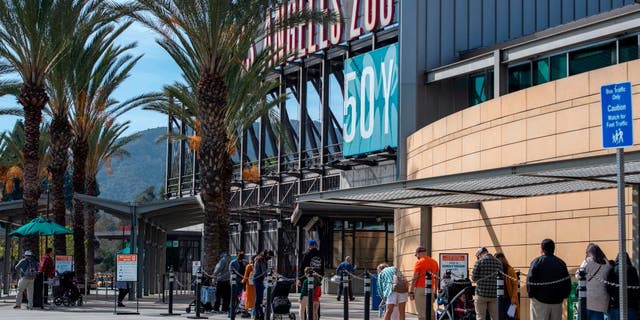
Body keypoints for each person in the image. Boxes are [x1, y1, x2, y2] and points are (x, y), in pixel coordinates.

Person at [527, 239, 572, 320]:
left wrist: (531, 295)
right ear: (553, 249)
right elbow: (567, 282)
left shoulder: (536, 262)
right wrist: (564, 296)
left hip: (539, 301)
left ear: (542, 249)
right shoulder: (561, 263)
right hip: (557, 301)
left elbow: (530, 279)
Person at [576, 243, 612, 320]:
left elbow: (578, 275)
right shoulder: (607, 264)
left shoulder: (588, 261)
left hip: (587, 300)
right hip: (601, 301)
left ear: (589, 252)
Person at [606, 252, 640, 320]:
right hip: (631, 306)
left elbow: (608, 288)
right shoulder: (632, 269)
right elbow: (636, 287)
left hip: (615, 305)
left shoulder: (612, 270)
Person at [472, 247, 502, 320]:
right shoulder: (498, 262)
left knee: (480, 317)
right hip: (494, 294)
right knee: (495, 317)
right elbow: (501, 278)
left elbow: (474, 278)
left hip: (481, 294)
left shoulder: (479, 262)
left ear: (480, 254)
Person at [409, 246, 438, 320]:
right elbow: (436, 278)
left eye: (416, 255)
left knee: (422, 314)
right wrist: (435, 291)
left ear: (418, 253)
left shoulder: (419, 262)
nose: (417, 257)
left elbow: (415, 278)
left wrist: (411, 291)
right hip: (431, 289)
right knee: (431, 312)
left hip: (420, 289)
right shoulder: (434, 262)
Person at [495, 252, 519, 319]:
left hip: (509, 298)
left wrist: (513, 297)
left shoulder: (510, 270)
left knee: (510, 316)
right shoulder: (495, 270)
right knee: (500, 317)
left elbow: (515, 284)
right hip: (499, 299)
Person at [253, 249, 274, 320]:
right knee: (258, 298)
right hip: (257, 279)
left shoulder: (262, 259)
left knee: (260, 298)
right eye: (270, 256)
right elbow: (264, 271)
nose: (270, 258)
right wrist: (270, 277)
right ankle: (257, 315)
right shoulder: (261, 260)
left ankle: (260, 314)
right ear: (267, 254)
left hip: (259, 279)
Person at [230, 250, 247, 316]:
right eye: (240, 255)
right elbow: (231, 272)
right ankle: (231, 312)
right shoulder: (233, 263)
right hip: (235, 282)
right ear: (237, 255)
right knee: (234, 297)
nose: (241, 257)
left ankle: (237, 310)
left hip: (243, 281)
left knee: (241, 297)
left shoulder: (245, 262)